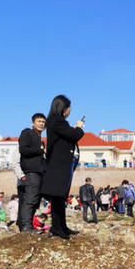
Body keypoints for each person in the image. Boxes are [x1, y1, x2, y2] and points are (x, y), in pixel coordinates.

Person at [40, 95, 84, 239]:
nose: (70, 111)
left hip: (62, 164)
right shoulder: (56, 121)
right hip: (59, 165)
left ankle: (62, 227)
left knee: (60, 197)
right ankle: (58, 228)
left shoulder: (57, 122)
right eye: (69, 108)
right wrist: (78, 127)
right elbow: (73, 135)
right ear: (63, 108)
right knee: (58, 196)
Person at [18, 113, 46, 232]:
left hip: (40, 172)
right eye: (39, 121)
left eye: (43, 122)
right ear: (33, 123)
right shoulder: (27, 132)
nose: (41, 124)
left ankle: (29, 225)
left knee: (36, 201)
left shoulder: (40, 139)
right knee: (30, 199)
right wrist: (40, 150)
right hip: (31, 172)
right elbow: (23, 149)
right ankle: (25, 227)